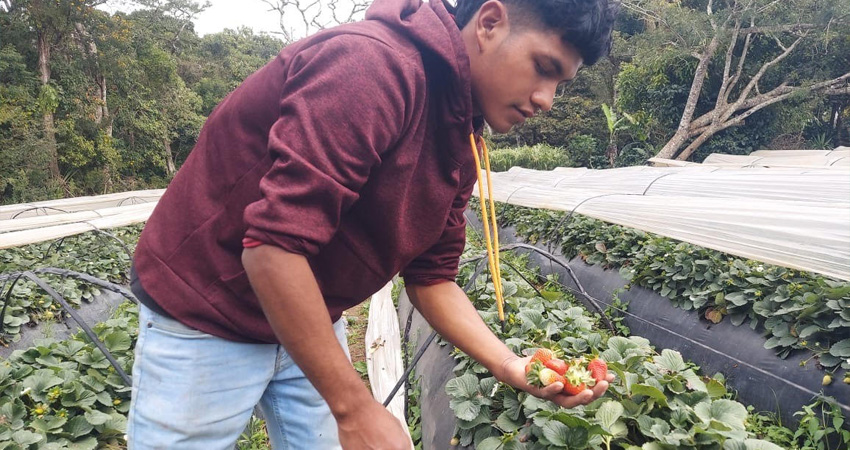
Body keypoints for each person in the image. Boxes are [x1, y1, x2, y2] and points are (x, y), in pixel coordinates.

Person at [127, 0, 619, 448]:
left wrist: (510, 364)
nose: (546, 99)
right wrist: (354, 408)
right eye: (543, 68)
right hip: (206, 311)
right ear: (489, 24)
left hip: (308, 314)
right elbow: (273, 247)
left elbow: (432, 277)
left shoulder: (459, 134)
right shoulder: (370, 67)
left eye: (560, 84)